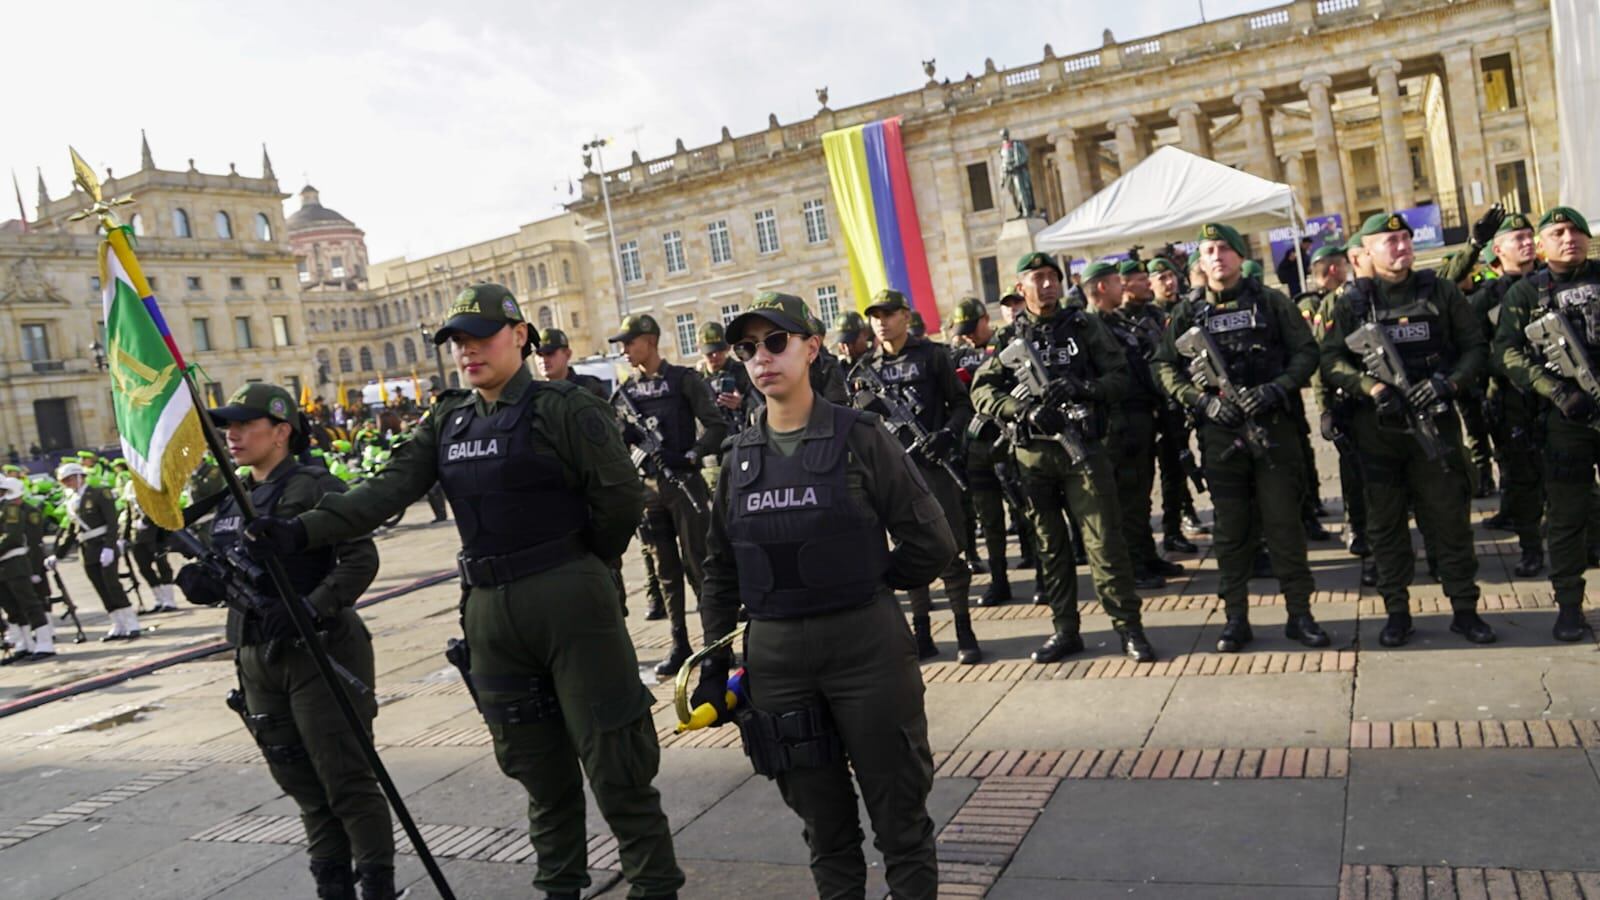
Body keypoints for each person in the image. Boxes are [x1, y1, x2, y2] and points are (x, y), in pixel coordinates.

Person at [244, 284, 684, 899]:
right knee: (536, 766)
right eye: (457, 341)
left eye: (481, 336)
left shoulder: (564, 409)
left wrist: (579, 566)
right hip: (488, 612)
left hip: (568, 601)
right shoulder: (448, 418)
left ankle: (653, 884)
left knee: (615, 758)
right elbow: (383, 492)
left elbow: (619, 501)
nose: (467, 351)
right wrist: (297, 531)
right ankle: (559, 886)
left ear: (521, 336)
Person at [692, 292, 955, 900]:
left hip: (866, 651)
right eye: (748, 348)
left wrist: (870, 581)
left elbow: (931, 540)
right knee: (825, 830)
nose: (762, 358)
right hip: (778, 663)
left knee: (901, 821)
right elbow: (719, 568)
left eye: (777, 341)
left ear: (811, 348)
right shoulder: (737, 457)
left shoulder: (861, 436)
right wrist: (715, 656)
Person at [175, 383, 394, 899]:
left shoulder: (317, 489)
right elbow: (224, 565)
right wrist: (203, 585)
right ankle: (333, 885)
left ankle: (377, 886)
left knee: (344, 778)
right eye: (227, 426)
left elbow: (360, 559)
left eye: (244, 425)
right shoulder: (233, 497)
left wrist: (309, 608)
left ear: (281, 431)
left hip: (319, 651)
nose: (231, 435)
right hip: (255, 655)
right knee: (300, 782)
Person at [971, 252, 1155, 664]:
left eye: (1052, 276)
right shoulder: (1007, 339)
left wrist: (1079, 387)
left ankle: (1129, 628)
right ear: (1021, 288)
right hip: (1033, 457)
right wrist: (1023, 410)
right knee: (1050, 550)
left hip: (1082, 452)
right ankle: (1064, 630)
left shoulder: (1084, 326)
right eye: (1037, 278)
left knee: (1104, 543)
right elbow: (982, 391)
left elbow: (1121, 377)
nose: (1047, 284)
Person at [1153, 223, 1329, 652]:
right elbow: (1164, 366)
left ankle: (1299, 615)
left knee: (1284, 526)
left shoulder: (1270, 301)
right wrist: (1202, 401)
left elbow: (1307, 352)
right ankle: (1235, 619)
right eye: (1208, 250)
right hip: (1221, 434)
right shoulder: (1188, 312)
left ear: (1238, 254)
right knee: (1231, 534)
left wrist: (1277, 388)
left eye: (1224, 249)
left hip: (1271, 430)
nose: (1216, 257)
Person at [1321, 212, 1494, 647]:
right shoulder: (1352, 302)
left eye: (1405, 239)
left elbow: (1475, 347)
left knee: (1450, 521)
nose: (1401, 246)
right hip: (1377, 433)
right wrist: (1369, 385)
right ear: (1368, 252)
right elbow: (1330, 360)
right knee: (1386, 527)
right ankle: (1397, 612)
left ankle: (1465, 610)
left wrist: (1447, 382)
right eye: (1390, 241)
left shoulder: (1440, 291)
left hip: (1434, 425)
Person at [856, 288, 981, 663]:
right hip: (892, 475)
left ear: (905, 317)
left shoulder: (932, 356)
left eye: (889, 314)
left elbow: (961, 405)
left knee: (950, 548)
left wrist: (946, 436)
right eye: (875, 315)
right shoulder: (866, 368)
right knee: (907, 552)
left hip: (933, 466)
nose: (881, 321)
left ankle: (963, 629)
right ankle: (922, 633)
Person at [1493, 206, 1599, 641]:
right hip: (1566, 421)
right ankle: (1570, 607)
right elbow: (1506, 352)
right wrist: (1554, 390)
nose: (1569, 237)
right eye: (1557, 231)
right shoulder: (1526, 294)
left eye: (1576, 230)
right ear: (1540, 243)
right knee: (1567, 517)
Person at [610, 313, 727, 677]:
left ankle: (714, 645)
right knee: (665, 572)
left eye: (630, 342)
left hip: (684, 484)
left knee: (699, 564)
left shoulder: (683, 380)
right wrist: (630, 444)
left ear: (650, 340)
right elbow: (614, 442)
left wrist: (691, 455)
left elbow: (716, 425)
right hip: (649, 491)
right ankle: (680, 642)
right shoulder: (625, 394)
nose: (625, 350)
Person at [1089, 262, 1182, 587]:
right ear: (1103, 287)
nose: (1123, 288)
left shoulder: (1120, 322)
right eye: (1118, 282)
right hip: (1119, 423)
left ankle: (1146, 556)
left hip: (1141, 418)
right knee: (1125, 499)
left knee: (1141, 494)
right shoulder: (1093, 326)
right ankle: (1132, 566)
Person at [1299, 244, 1379, 587]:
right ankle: (1359, 529)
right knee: (1354, 472)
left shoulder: (1361, 298)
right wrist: (1326, 408)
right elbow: (1321, 363)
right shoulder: (1324, 304)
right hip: (1349, 402)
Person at [1472, 214, 1546, 577]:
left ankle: (1589, 542)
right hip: (1512, 398)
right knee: (1521, 475)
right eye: (1518, 238)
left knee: (1572, 473)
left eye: (1530, 236)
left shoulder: (1552, 282)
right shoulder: (1487, 296)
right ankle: (1531, 548)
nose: (1527, 242)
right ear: (1498, 250)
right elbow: (1470, 344)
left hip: (1558, 394)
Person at [947, 297, 1016, 603]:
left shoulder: (1005, 345)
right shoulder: (956, 355)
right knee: (989, 519)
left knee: (1025, 512)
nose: (969, 335)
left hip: (1008, 441)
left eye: (972, 328)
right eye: (963, 330)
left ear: (985, 320)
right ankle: (999, 580)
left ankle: (1042, 576)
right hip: (976, 447)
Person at [1147, 257, 1206, 550]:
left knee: (1190, 457)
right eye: (1161, 279)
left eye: (1171, 276)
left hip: (1191, 394)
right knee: (1174, 463)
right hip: (1164, 403)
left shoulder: (1186, 309)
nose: (1169, 283)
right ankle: (1178, 521)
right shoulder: (1149, 316)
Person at [49, 462, 140, 641]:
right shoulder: (72, 501)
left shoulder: (99, 493)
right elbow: (72, 531)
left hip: (103, 545)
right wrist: (58, 554)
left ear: (79, 477)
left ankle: (131, 622)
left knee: (112, 584)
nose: (67, 484)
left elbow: (112, 523)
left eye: (69, 479)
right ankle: (117, 624)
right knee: (100, 587)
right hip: (87, 550)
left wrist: (109, 546)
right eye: (64, 481)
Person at [0, 476, 54, 663]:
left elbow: (12, 537)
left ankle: (45, 642)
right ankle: (25, 643)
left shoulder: (11, 509)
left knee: (29, 603)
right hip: (2, 566)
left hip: (14, 562)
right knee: (11, 607)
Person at [120, 480, 179, 612]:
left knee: (162, 566)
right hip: (138, 538)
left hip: (155, 535)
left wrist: (146, 520)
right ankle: (159, 599)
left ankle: (170, 600)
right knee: (144, 568)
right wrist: (123, 537)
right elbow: (129, 516)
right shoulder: (131, 491)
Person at [535, 327, 607, 399]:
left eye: (549, 353)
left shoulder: (589, 387)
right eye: (539, 354)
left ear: (568, 354)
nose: (543, 360)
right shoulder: (535, 395)